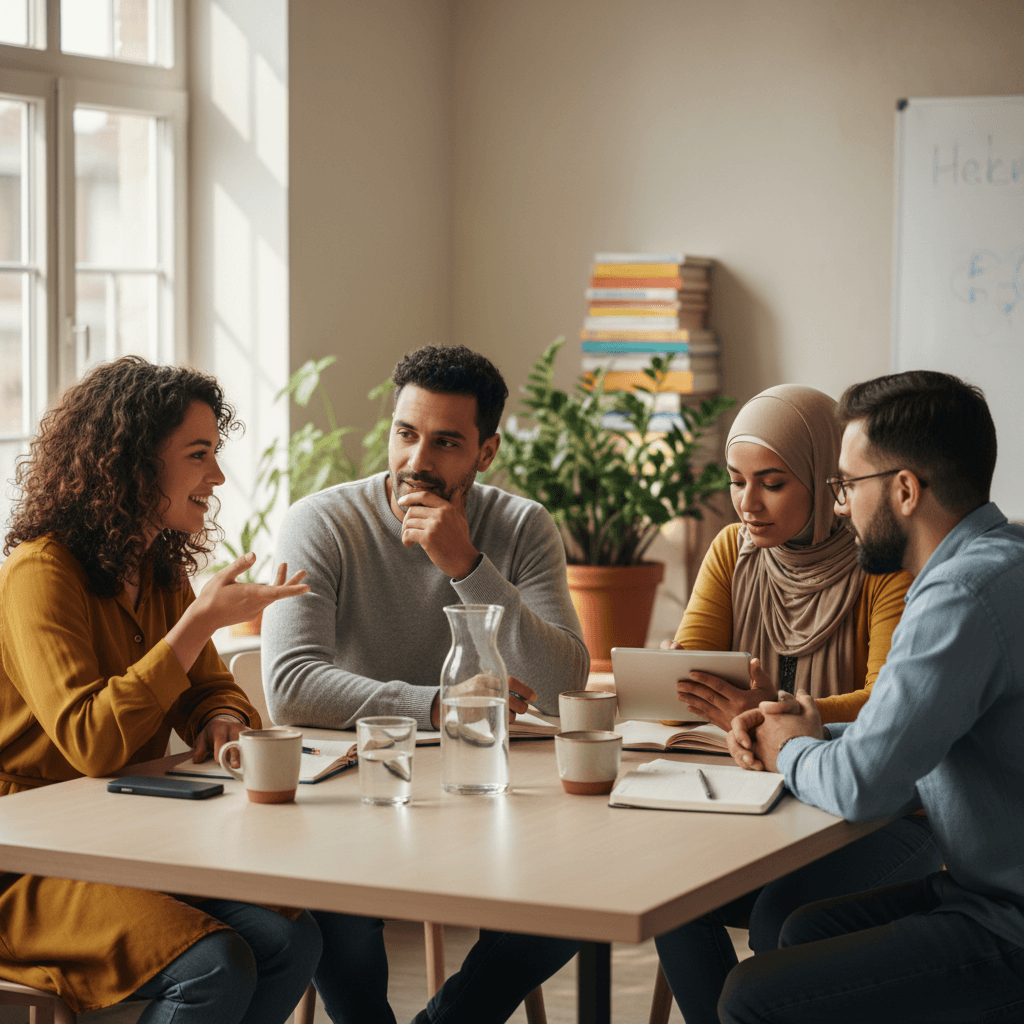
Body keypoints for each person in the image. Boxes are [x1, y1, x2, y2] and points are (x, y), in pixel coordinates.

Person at [263, 344, 588, 1024]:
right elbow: (291, 684)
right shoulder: (321, 522)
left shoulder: (521, 527)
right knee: (337, 918)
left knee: (577, 899)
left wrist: (467, 564)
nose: (417, 461)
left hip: (492, 795)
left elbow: (562, 685)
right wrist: (442, 706)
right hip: (357, 800)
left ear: (486, 450)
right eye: (406, 434)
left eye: (445, 442)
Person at [0, 357, 320, 1024]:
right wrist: (199, 622)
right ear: (135, 465)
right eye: (198, 454)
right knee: (216, 966)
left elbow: (212, 689)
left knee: (292, 940)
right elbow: (91, 742)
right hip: (27, 865)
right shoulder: (39, 573)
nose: (218, 476)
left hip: (119, 841)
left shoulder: (158, 570)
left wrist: (222, 719)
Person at [720, 370, 1024, 1023]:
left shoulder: (959, 597)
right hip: (987, 893)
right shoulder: (1004, 559)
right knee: (800, 930)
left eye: (845, 487)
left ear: (905, 491)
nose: (839, 506)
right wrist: (804, 734)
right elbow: (910, 743)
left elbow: (866, 787)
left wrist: (790, 750)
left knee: (751, 998)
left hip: (1009, 924)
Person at [653, 384, 942, 1024]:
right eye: (736, 481)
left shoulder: (882, 561)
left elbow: (885, 705)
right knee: (667, 889)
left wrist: (772, 715)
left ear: (825, 479)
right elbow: (686, 687)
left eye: (772, 483)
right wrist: (734, 708)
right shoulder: (733, 551)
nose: (747, 503)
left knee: (779, 916)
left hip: (884, 812)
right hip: (759, 799)